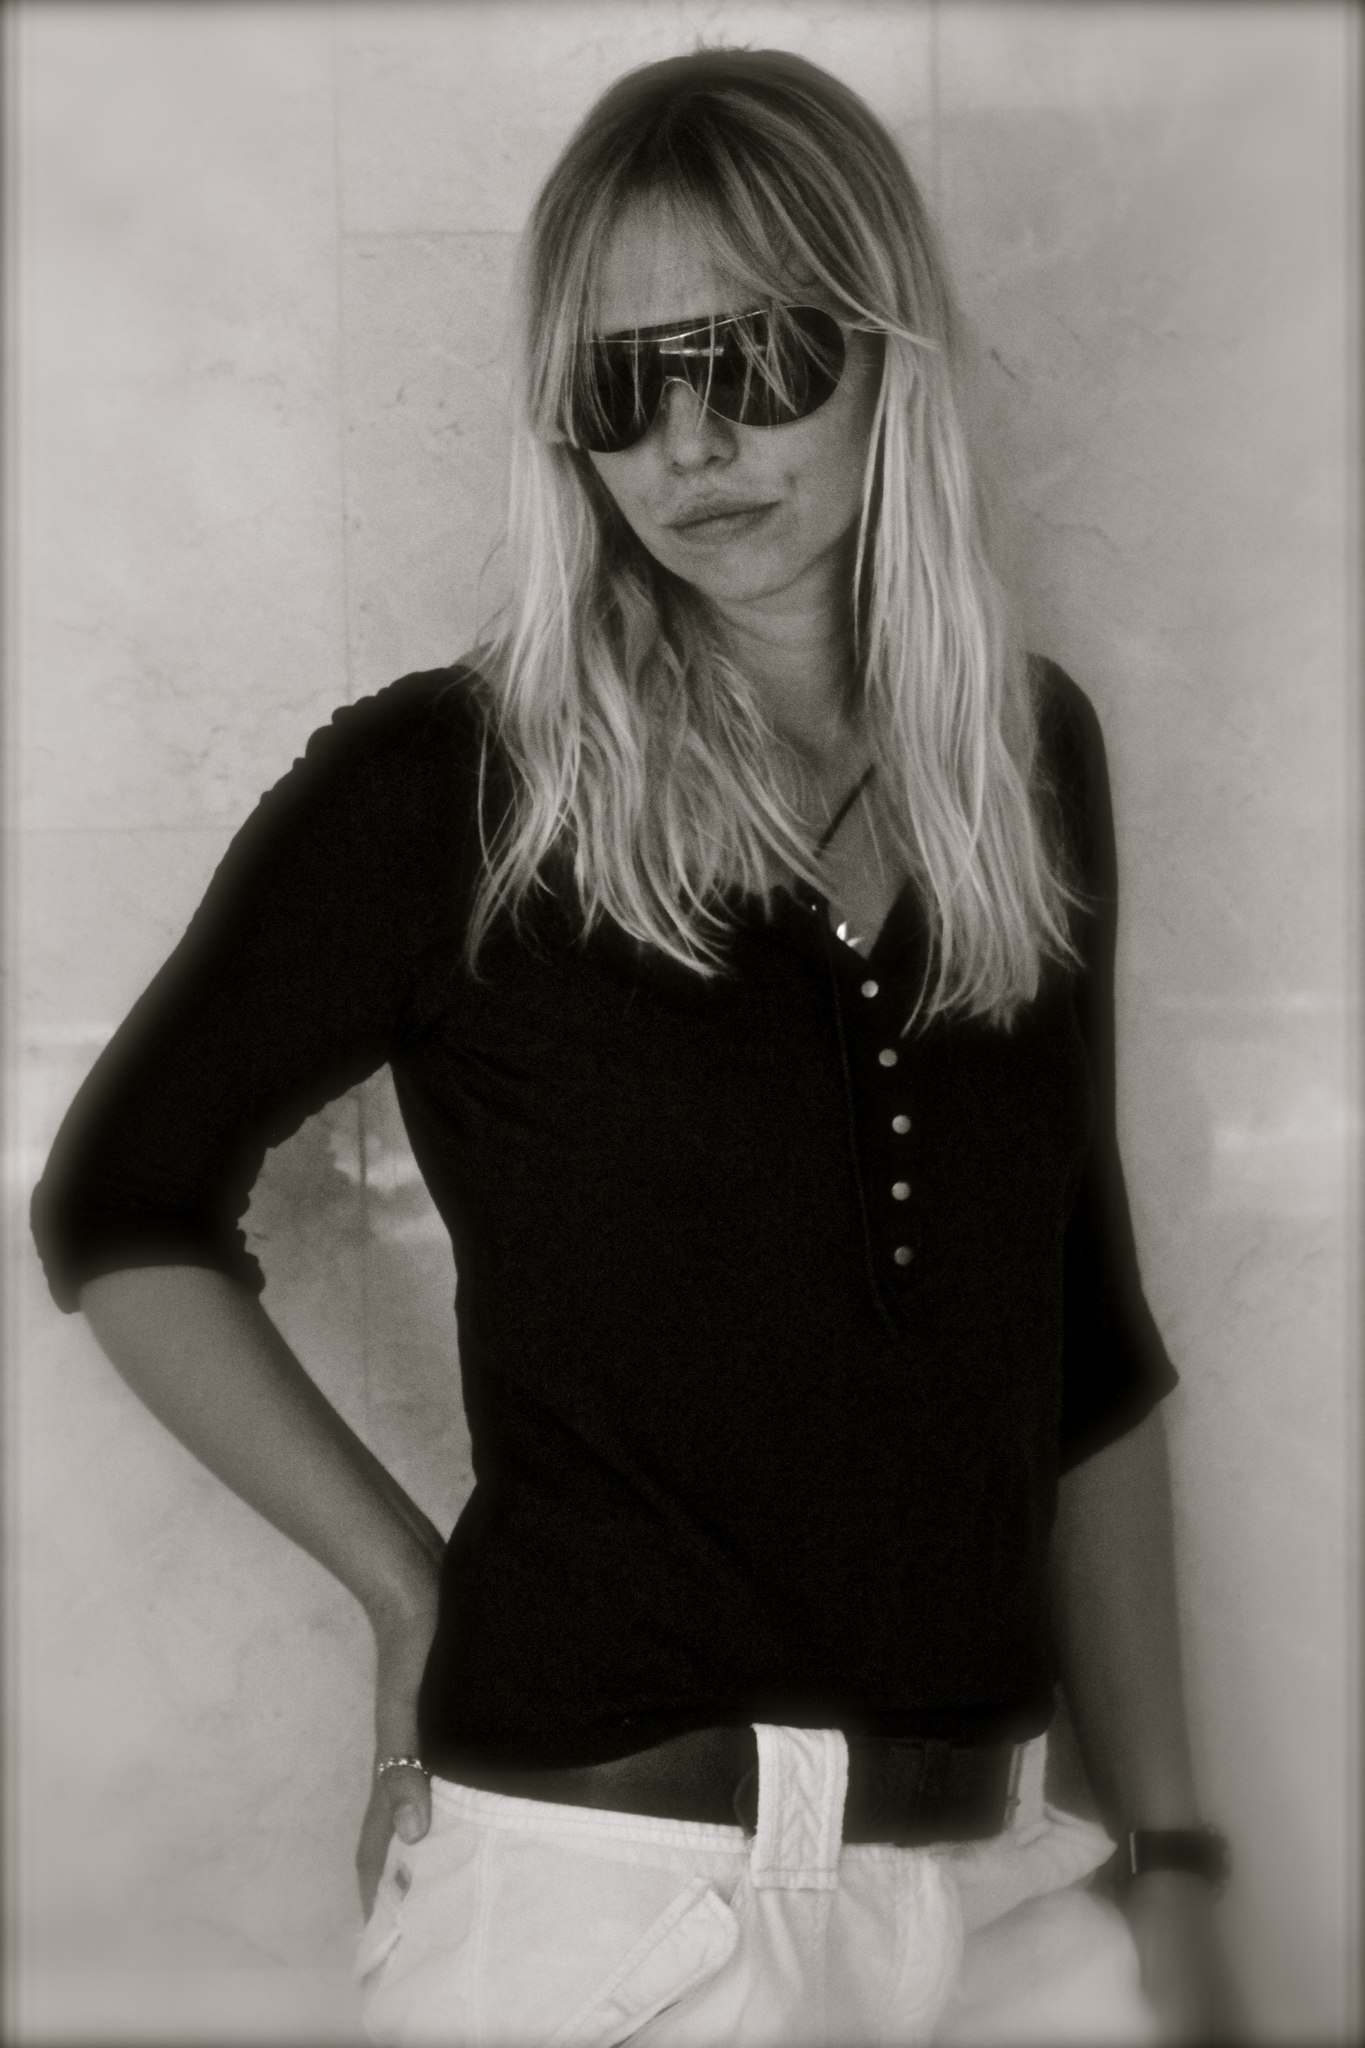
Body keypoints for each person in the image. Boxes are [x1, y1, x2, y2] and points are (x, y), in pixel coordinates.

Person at [30, 45, 1238, 2048]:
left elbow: (1081, 1345)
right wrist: (407, 1588)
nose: (689, 441)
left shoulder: (1025, 759)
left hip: (1001, 1900)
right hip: (610, 1923)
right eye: (617, 384)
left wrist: (1172, 1853)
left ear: (883, 350)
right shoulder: (456, 783)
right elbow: (118, 1207)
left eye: (754, 355)